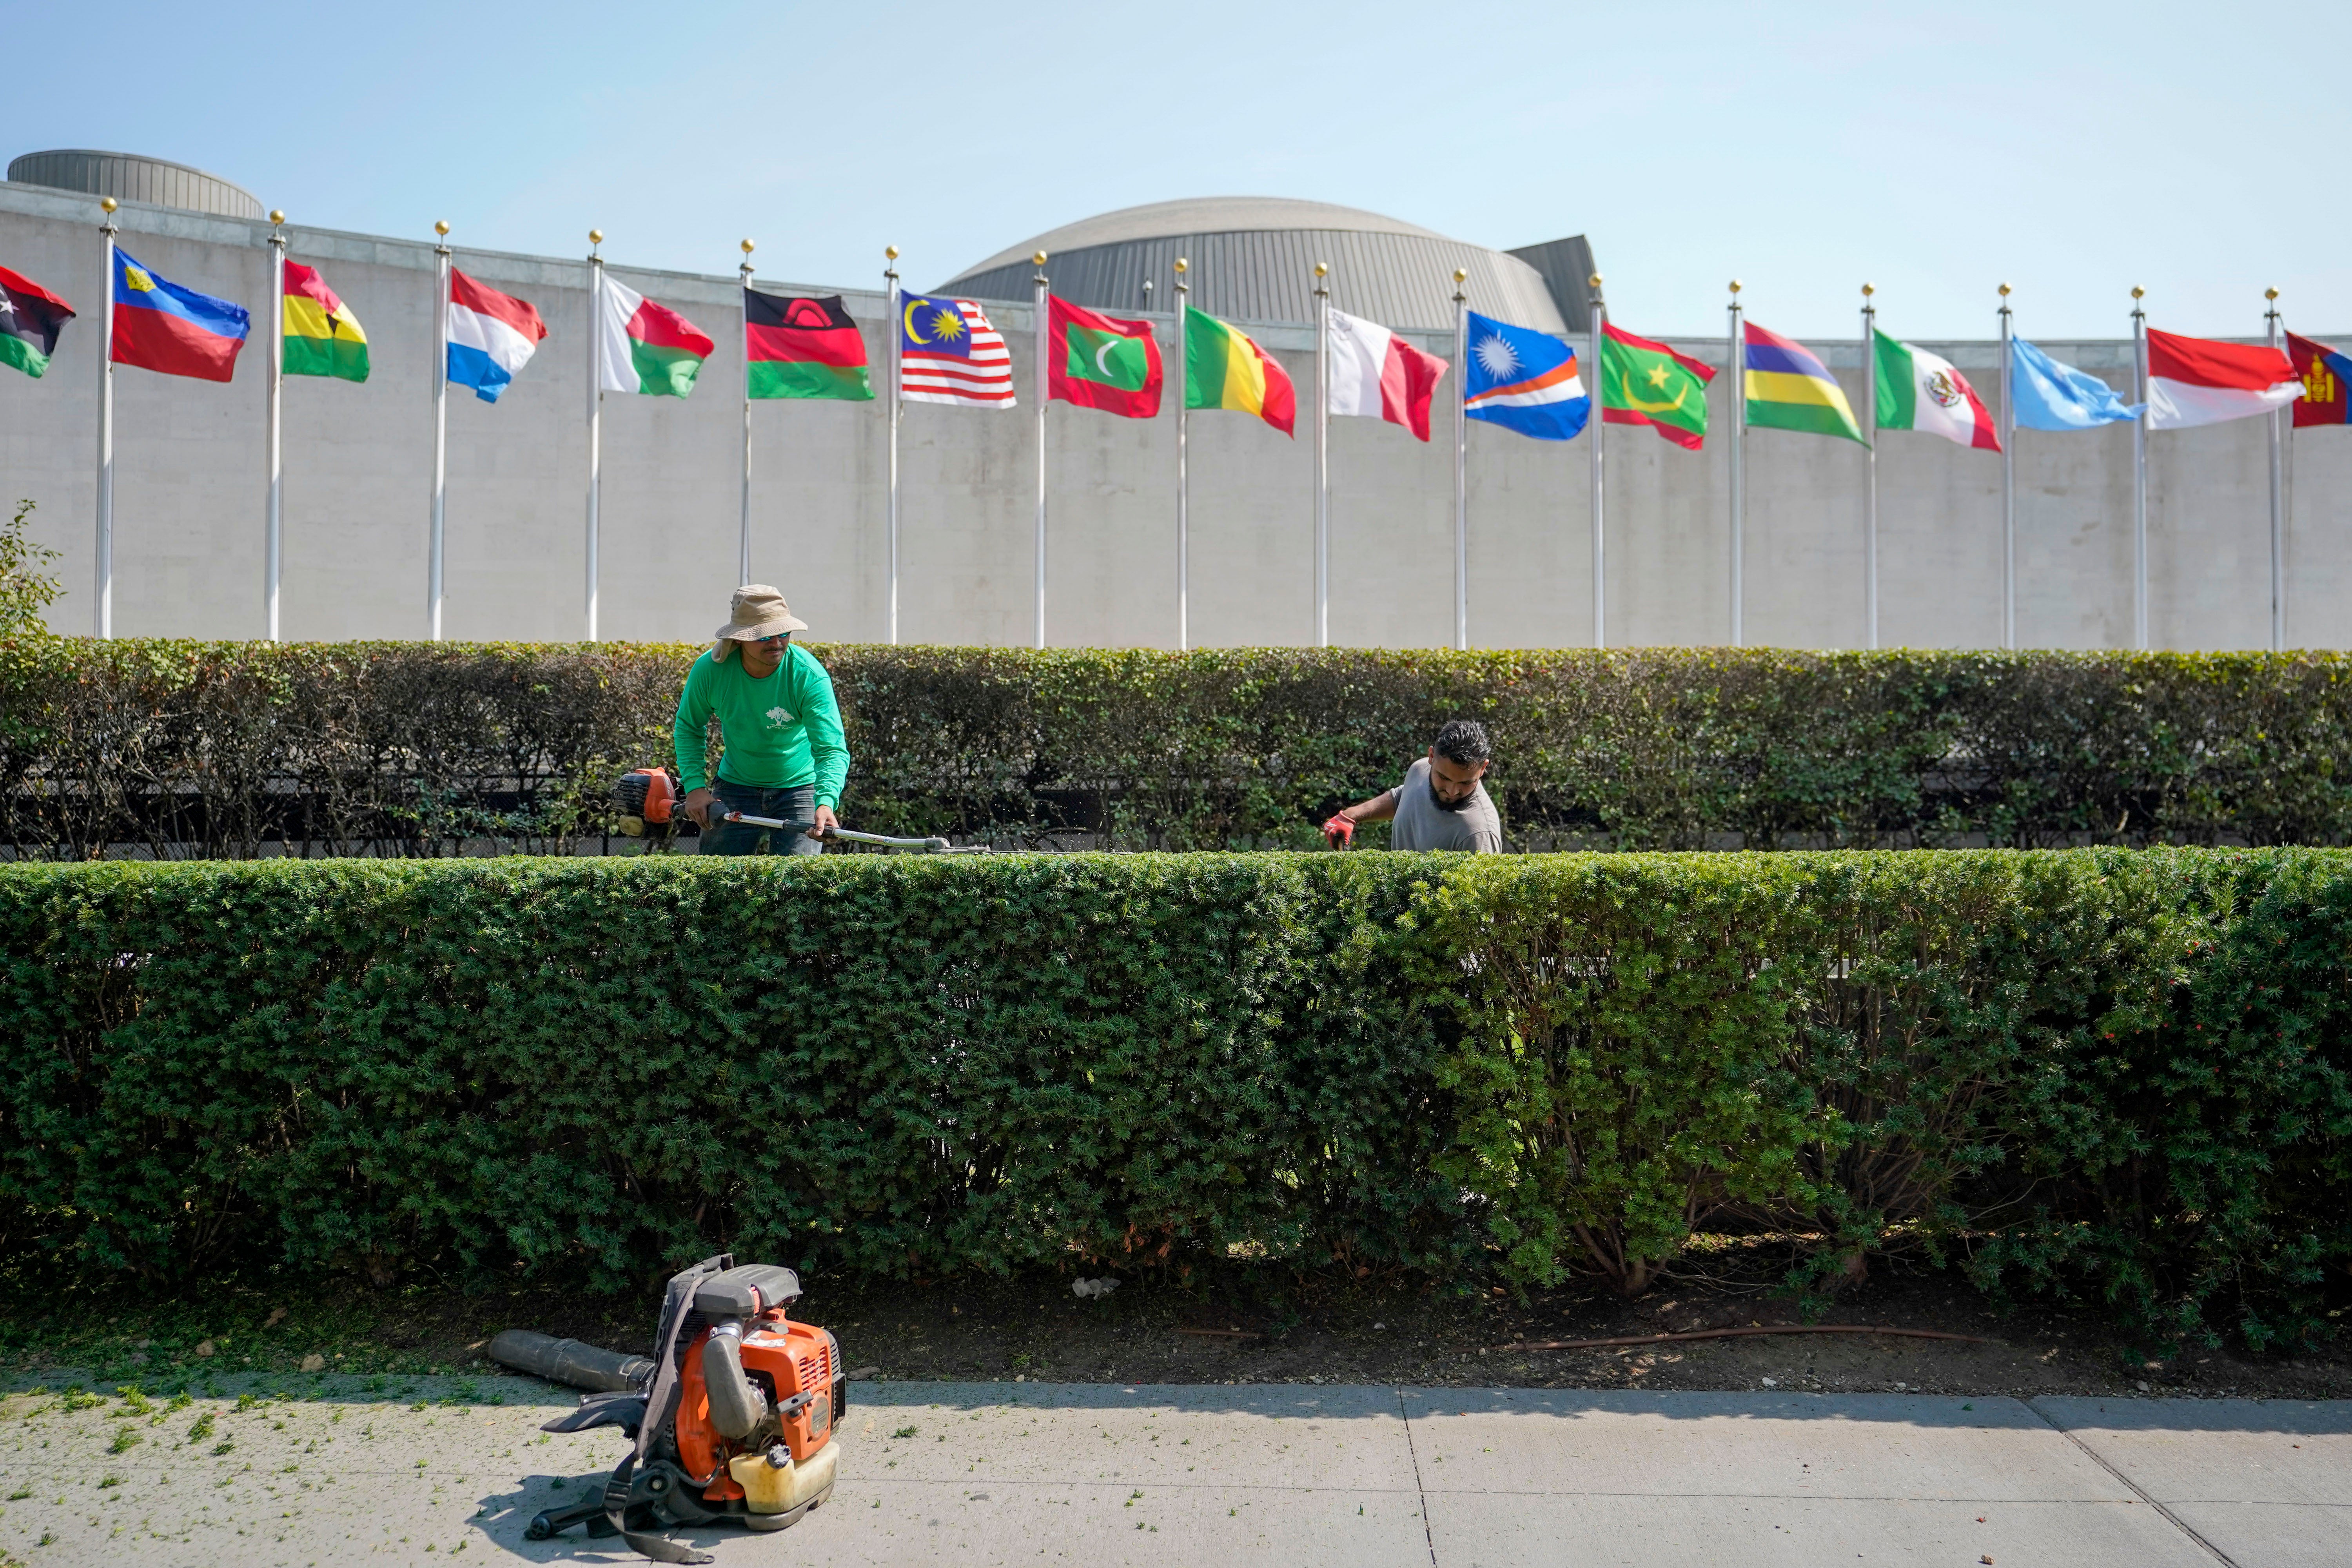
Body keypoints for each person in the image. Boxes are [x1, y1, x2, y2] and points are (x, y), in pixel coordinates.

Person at [674, 585, 849, 856]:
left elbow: (831, 748)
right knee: (717, 884)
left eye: (784, 633)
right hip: (735, 786)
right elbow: (689, 726)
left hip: (800, 789)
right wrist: (695, 788)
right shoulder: (711, 671)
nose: (777, 643)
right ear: (741, 638)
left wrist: (825, 802)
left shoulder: (808, 676)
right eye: (765, 636)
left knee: (796, 887)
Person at [1321, 719, 1503, 853]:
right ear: (1431, 756)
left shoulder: (1479, 833)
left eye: (1466, 783)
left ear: (1483, 769)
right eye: (1443, 778)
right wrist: (1350, 816)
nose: (1452, 791)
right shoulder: (1420, 770)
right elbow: (1405, 797)